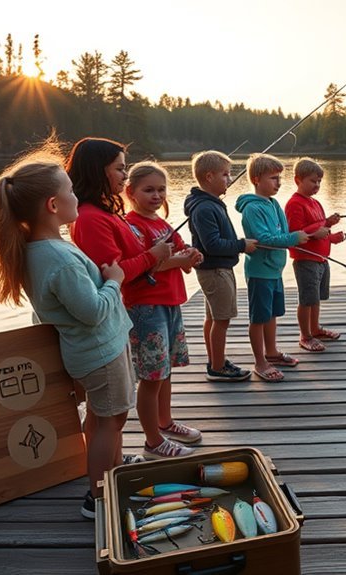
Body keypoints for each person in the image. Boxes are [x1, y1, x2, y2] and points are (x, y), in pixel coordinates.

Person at [0, 142, 135, 520]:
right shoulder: (58, 259)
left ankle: (113, 472)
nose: (77, 194)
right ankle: (99, 498)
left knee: (107, 417)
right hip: (99, 351)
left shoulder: (40, 249)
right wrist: (114, 281)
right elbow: (91, 312)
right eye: (70, 191)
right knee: (108, 421)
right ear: (53, 206)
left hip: (98, 349)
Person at [65, 137, 198, 461]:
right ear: (99, 171)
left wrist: (168, 256)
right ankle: (149, 443)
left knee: (158, 375)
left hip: (149, 308)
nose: (125, 174)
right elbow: (115, 272)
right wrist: (155, 256)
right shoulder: (91, 218)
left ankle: (126, 449)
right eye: (120, 168)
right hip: (136, 310)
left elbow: (134, 259)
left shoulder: (107, 213)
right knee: (141, 384)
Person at [123, 160, 206, 460]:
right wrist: (177, 259)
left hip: (171, 303)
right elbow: (146, 264)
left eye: (161, 189)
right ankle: (153, 441)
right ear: (130, 192)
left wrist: (192, 255)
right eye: (148, 190)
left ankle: (165, 421)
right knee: (152, 375)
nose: (156, 195)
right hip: (146, 307)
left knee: (165, 371)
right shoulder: (130, 225)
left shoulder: (163, 224)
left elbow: (179, 255)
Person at [184, 150, 258, 382]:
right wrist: (241, 245)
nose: (229, 179)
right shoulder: (205, 207)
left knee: (213, 318)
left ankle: (215, 360)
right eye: (225, 175)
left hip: (214, 269)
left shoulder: (207, 203)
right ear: (209, 177)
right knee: (222, 320)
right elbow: (213, 245)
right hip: (216, 270)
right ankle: (217, 367)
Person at [234, 153, 308, 382]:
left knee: (271, 314)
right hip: (259, 272)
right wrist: (294, 239)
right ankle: (260, 362)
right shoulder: (252, 208)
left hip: (275, 270)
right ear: (256, 179)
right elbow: (264, 238)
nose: (278, 182)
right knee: (258, 318)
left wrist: (293, 237)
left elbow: (281, 233)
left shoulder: (274, 203)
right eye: (273, 178)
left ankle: (272, 352)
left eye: (279, 178)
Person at [284, 158, 346, 352]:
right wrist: (321, 227)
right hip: (305, 261)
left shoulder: (316, 203)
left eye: (319, 181)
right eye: (312, 181)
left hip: (321, 260)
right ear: (298, 180)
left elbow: (321, 231)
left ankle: (315, 329)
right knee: (307, 299)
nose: (317, 185)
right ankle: (305, 336)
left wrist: (333, 236)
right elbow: (295, 233)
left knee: (316, 298)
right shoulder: (294, 204)